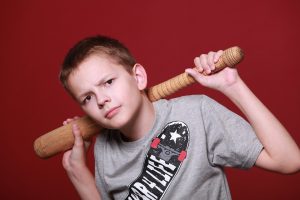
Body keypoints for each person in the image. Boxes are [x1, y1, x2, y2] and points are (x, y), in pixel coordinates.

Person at [59, 35, 300, 200]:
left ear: (138, 77)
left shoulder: (196, 113)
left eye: (108, 82)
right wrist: (78, 172)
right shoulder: (105, 150)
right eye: (87, 98)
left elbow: (289, 161)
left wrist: (233, 86)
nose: (101, 99)